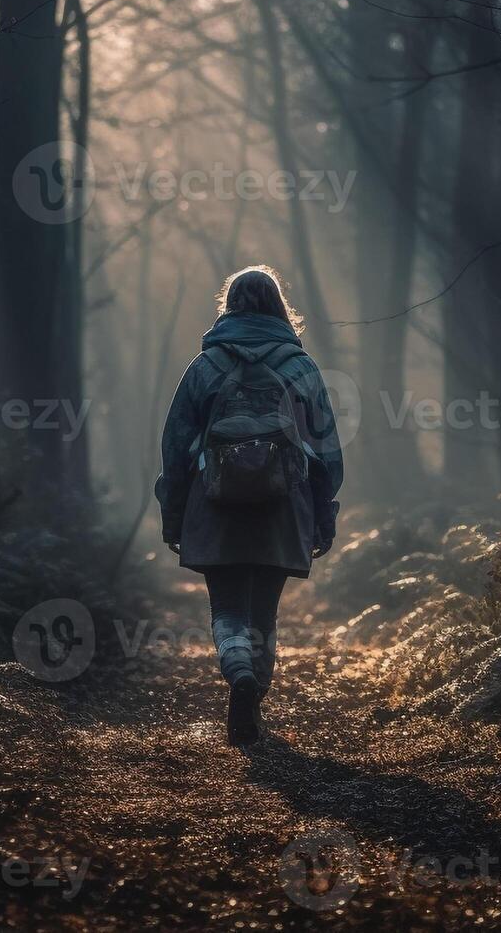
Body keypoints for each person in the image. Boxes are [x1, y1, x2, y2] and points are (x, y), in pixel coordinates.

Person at [154, 265, 344, 746]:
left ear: (229, 306)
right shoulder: (301, 368)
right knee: (265, 610)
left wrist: (173, 513)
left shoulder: (205, 367)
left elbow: (175, 447)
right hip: (285, 506)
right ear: (279, 306)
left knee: (228, 606)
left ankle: (237, 673)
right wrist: (324, 515)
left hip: (215, 503)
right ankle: (255, 692)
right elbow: (326, 452)